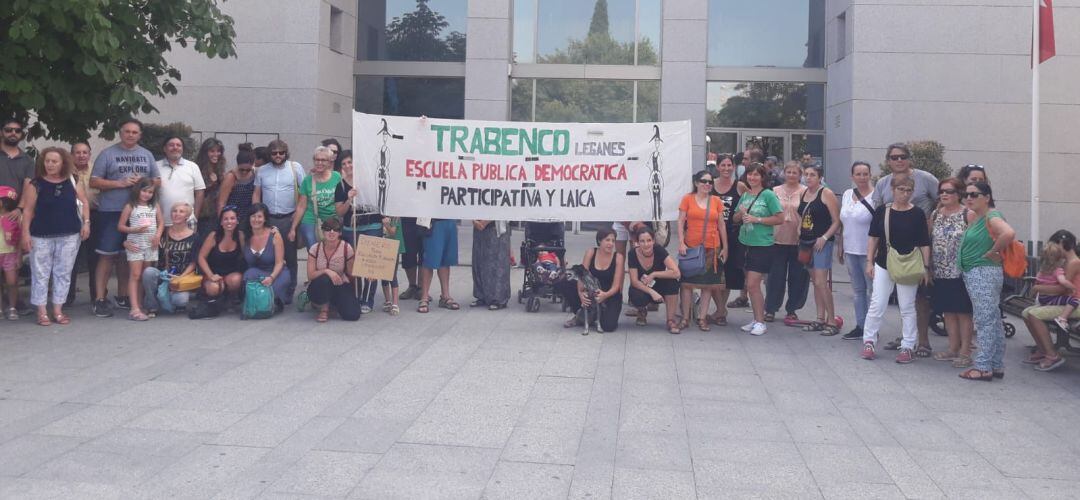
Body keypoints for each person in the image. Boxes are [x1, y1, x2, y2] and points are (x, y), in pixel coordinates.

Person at [871, 143, 938, 355]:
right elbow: (878, 214)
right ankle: (905, 337)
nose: (898, 160)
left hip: (920, 247)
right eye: (894, 157)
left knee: (919, 296)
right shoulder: (882, 183)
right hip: (891, 252)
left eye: (902, 157)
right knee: (896, 298)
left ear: (909, 159)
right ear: (888, 160)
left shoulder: (926, 178)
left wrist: (931, 222)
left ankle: (923, 341)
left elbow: (942, 200)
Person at [90, 118, 160, 317]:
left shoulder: (146, 155)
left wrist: (143, 182)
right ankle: (100, 299)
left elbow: (158, 181)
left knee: (128, 255)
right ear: (120, 133)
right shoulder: (108, 154)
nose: (130, 135)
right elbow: (94, 181)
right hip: (112, 211)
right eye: (127, 131)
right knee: (107, 254)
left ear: (140, 135)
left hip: (140, 213)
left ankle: (124, 296)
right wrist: (119, 183)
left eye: (134, 132)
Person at [860, 176, 931, 363]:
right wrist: (869, 262)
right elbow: (873, 237)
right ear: (892, 189)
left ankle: (908, 345)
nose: (905, 193)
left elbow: (924, 242)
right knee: (877, 303)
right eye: (901, 189)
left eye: (909, 190)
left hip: (908, 264)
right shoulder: (883, 210)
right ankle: (869, 340)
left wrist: (925, 266)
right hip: (884, 262)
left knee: (907, 306)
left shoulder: (917, 214)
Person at [20, 147, 90, 326]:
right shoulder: (35, 184)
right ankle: (42, 311)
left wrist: (87, 223)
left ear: (63, 163)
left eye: (54, 161)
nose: (50, 164)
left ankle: (58, 310)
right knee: (40, 273)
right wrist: (25, 233)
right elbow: (27, 211)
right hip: (41, 235)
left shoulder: (73, 181)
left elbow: (84, 202)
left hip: (69, 234)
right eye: (47, 161)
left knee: (63, 272)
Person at [957, 181, 1015, 380]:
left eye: (974, 195)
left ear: (987, 197)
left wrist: (993, 251)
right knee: (992, 319)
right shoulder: (979, 217)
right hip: (979, 272)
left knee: (985, 321)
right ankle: (996, 364)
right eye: (967, 195)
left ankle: (983, 366)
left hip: (983, 272)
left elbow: (1008, 233)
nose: (969, 198)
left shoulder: (992, 216)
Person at [927, 178, 975, 367]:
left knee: (963, 312)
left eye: (949, 191)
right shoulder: (936, 214)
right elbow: (929, 241)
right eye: (942, 191)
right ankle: (952, 347)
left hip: (961, 272)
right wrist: (928, 266)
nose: (944, 194)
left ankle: (965, 351)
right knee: (947, 311)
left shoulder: (968, 214)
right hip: (940, 270)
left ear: (959, 194)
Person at [733, 163, 785, 336]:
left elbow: (780, 218)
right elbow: (735, 218)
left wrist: (757, 219)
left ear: (762, 177)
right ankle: (756, 319)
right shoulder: (746, 194)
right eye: (750, 174)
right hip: (745, 242)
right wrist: (741, 214)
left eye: (756, 175)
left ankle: (761, 322)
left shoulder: (768, 195)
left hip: (762, 245)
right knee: (749, 285)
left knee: (753, 284)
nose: (752, 178)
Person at [1021, 230, 1080, 372]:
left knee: (1034, 314)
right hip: (1065, 302)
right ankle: (1043, 349)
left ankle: (1052, 355)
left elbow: (1062, 289)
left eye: (1053, 244)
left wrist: (1038, 288)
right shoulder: (1064, 262)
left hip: (1074, 304)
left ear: (1061, 243)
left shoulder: (1074, 262)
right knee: (1026, 313)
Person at [254, 139, 304, 302]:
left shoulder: (295, 168)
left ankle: (290, 289)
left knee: (290, 256)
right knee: (269, 254)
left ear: (285, 153)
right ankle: (271, 287)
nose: (278, 155)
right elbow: (257, 193)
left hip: (288, 218)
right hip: (268, 219)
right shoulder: (261, 171)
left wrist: (296, 219)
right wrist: (255, 214)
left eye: (281, 152)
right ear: (270, 154)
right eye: (274, 153)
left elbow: (304, 194)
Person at [677, 170, 728, 331]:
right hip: (691, 247)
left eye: (710, 182)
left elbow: (721, 225)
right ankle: (685, 317)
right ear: (696, 183)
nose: (707, 184)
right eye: (704, 181)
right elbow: (680, 222)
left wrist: (725, 247)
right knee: (686, 284)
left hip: (712, 247)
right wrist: (681, 242)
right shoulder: (687, 199)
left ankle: (701, 317)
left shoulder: (716, 201)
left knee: (707, 285)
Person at [798, 164, 841, 335]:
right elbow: (802, 215)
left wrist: (824, 237)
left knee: (822, 282)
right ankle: (819, 317)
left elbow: (836, 220)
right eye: (806, 174)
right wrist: (798, 231)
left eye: (812, 175)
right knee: (815, 282)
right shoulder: (804, 193)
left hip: (822, 242)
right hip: (806, 242)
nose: (808, 178)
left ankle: (832, 320)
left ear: (820, 177)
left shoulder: (826, 193)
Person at [765, 161, 809, 323]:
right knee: (774, 277)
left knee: (798, 277)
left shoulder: (806, 192)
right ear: (784, 173)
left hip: (799, 241)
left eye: (795, 172)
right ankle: (770, 308)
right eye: (789, 172)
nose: (791, 175)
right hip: (777, 239)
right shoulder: (774, 191)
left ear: (800, 174)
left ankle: (792, 309)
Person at [558, 228, 625, 332]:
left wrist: (605, 295)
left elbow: (616, 286)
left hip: (609, 294)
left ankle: (592, 316)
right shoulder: (591, 252)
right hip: (591, 289)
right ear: (599, 241)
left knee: (608, 326)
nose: (611, 244)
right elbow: (582, 275)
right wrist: (581, 294)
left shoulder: (618, 257)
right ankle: (580, 315)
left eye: (613, 241)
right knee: (564, 282)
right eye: (607, 240)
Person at [837, 162, 876, 340]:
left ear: (870, 175)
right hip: (850, 249)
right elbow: (843, 222)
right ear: (852, 176)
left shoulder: (876, 196)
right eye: (858, 174)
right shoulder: (846, 194)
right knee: (858, 291)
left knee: (872, 291)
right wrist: (841, 246)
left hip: (868, 252)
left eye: (865, 174)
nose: (862, 177)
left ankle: (872, 327)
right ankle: (861, 325)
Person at [140, 202, 198, 315]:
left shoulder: (194, 237)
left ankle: (170, 301)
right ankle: (153, 306)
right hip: (163, 274)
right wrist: (126, 242)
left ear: (187, 216)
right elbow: (144, 242)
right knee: (148, 272)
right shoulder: (163, 233)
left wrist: (181, 277)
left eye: (181, 211)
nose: (177, 214)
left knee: (181, 300)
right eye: (174, 211)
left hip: (181, 277)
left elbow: (193, 262)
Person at [118, 178, 163, 321]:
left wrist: (158, 236)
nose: (147, 194)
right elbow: (120, 226)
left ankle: (141, 304)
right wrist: (134, 229)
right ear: (138, 190)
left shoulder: (154, 205)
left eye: (150, 192)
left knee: (145, 275)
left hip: (150, 244)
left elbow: (161, 222)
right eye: (144, 191)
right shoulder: (130, 206)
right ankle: (134, 308)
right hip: (135, 244)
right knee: (135, 275)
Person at [709, 154, 746, 324]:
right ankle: (721, 309)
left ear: (733, 167)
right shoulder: (710, 185)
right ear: (717, 167)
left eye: (729, 165)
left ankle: (720, 311)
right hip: (712, 235)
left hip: (733, 236)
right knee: (713, 274)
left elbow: (752, 200)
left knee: (729, 274)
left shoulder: (739, 186)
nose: (726, 168)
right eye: (722, 165)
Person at [306, 216, 360, 322]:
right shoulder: (315, 248)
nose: (331, 232)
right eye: (327, 229)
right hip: (319, 285)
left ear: (340, 233)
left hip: (339, 284)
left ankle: (335, 304)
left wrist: (365, 273)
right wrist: (327, 271)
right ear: (323, 231)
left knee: (352, 315)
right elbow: (310, 275)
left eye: (335, 229)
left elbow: (351, 272)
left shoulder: (346, 248)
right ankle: (324, 308)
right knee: (325, 278)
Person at [628, 226, 681, 333]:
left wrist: (654, 274)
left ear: (653, 241)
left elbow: (676, 272)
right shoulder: (632, 253)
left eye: (649, 240)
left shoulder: (659, 250)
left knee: (673, 283)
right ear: (637, 242)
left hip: (658, 283)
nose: (646, 244)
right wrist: (652, 292)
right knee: (636, 293)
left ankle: (670, 320)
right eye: (642, 241)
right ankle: (641, 311)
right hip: (642, 287)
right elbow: (634, 281)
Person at [290, 146, 344, 251]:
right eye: (317, 160)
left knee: (332, 249)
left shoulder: (337, 177)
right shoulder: (307, 181)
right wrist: (293, 228)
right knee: (313, 249)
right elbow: (301, 206)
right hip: (312, 218)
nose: (319, 163)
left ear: (329, 162)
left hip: (332, 217)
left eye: (323, 160)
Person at [67, 142, 99, 306]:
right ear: (71, 154)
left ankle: (97, 296)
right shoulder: (65, 171)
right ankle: (67, 296)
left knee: (95, 258)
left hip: (95, 215)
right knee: (71, 259)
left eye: (84, 152)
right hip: (71, 217)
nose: (81, 155)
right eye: (77, 152)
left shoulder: (97, 169)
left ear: (90, 153)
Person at [244, 203, 290, 312]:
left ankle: (274, 302)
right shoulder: (245, 235)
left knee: (268, 291)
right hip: (257, 272)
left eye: (259, 216)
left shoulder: (275, 235)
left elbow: (279, 263)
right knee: (247, 276)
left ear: (265, 219)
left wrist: (271, 278)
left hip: (276, 273)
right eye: (253, 216)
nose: (256, 220)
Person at [197, 207, 247, 304]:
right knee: (214, 288)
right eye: (226, 219)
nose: (229, 222)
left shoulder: (240, 236)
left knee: (237, 280)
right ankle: (212, 300)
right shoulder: (213, 236)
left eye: (232, 218)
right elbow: (201, 257)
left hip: (231, 274)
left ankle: (230, 297)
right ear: (221, 222)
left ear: (237, 221)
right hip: (213, 274)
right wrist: (211, 275)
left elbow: (247, 255)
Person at [156, 136, 206, 230]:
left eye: (179, 145)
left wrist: (195, 216)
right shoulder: (155, 166)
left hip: (187, 222)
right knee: (161, 245)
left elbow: (200, 193)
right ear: (164, 149)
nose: (175, 147)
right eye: (171, 145)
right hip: (161, 222)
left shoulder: (192, 167)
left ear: (182, 149)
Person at [417, 219, 460, 313]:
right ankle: (424, 297)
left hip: (449, 219)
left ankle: (445, 296)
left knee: (445, 258)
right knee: (429, 258)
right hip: (432, 220)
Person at [1033, 242, 1078, 332]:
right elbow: (1063, 281)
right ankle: (1062, 318)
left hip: (1042, 298)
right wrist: (1072, 287)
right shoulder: (1058, 270)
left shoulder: (1042, 271)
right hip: (1052, 298)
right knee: (1074, 300)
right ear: (1059, 259)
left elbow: (1037, 282)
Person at [471, 219, 511, 310]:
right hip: (479, 226)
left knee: (497, 264)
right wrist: (474, 220)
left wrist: (485, 222)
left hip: (496, 227)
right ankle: (481, 296)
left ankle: (498, 299)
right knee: (479, 261)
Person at [217, 144, 260, 228]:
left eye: (248, 170)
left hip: (249, 218)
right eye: (241, 169)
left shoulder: (255, 174)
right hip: (233, 218)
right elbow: (221, 202)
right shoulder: (231, 177)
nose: (244, 172)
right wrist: (221, 223)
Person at [194, 138, 226, 236]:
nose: (216, 154)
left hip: (217, 214)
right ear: (205, 152)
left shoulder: (220, 170)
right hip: (203, 215)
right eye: (212, 151)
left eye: (218, 151)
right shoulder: (197, 169)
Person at [0, 186, 20, 319]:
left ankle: (12, 307)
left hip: (10, 254)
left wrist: (19, 255)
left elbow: (19, 237)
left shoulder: (14, 217)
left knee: (12, 282)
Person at [0, 118, 32, 198]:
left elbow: (28, 190)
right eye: (8, 130)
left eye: (17, 131)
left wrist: (19, 209)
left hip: (16, 209)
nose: (13, 133)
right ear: (1, 132)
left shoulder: (28, 161)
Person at [380, 216, 404, 315]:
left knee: (392, 274)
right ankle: (387, 300)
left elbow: (393, 232)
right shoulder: (381, 215)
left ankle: (395, 303)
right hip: (381, 245)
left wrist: (386, 225)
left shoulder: (395, 217)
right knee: (383, 274)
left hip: (393, 247)